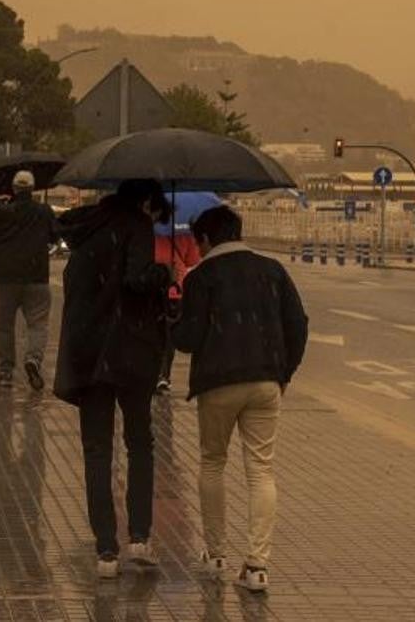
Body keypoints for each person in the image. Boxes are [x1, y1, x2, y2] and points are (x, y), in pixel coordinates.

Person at [172, 205, 308, 593]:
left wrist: (172, 316)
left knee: (213, 462)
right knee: (261, 468)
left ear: (205, 239)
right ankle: (257, 565)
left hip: (218, 382)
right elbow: (298, 325)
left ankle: (216, 554)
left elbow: (188, 340)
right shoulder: (273, 270)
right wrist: (283, 373)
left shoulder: (202, 277)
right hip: (266, 381)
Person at [54, 179, 173, 579]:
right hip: (129, 351)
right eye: (156, 212)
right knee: (140, 442)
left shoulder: (85, 228)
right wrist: (161, 273)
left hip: (88, 353)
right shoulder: (135, 224)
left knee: (97, 451)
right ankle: (138, 538)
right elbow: (135, 280)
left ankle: (105, 551)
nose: (154, 220)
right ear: (145, 202)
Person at [0, 170, 56, 392]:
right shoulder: (44, 212)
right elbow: (55, 236)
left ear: (13, 188)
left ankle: (5, 372)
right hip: (37, 277)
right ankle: (33, 359)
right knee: (38, 324)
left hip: (5, 278)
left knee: (4, 326)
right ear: (32, 190)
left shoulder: (1, 211)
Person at [154, 223, 202, 394]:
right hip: (175, 288)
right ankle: (163, 375)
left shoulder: (149, 229)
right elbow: (193, 260)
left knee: (149, 329)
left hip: (151, 286)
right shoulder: (185, 232)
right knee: (169, 331)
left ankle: (149, 372)